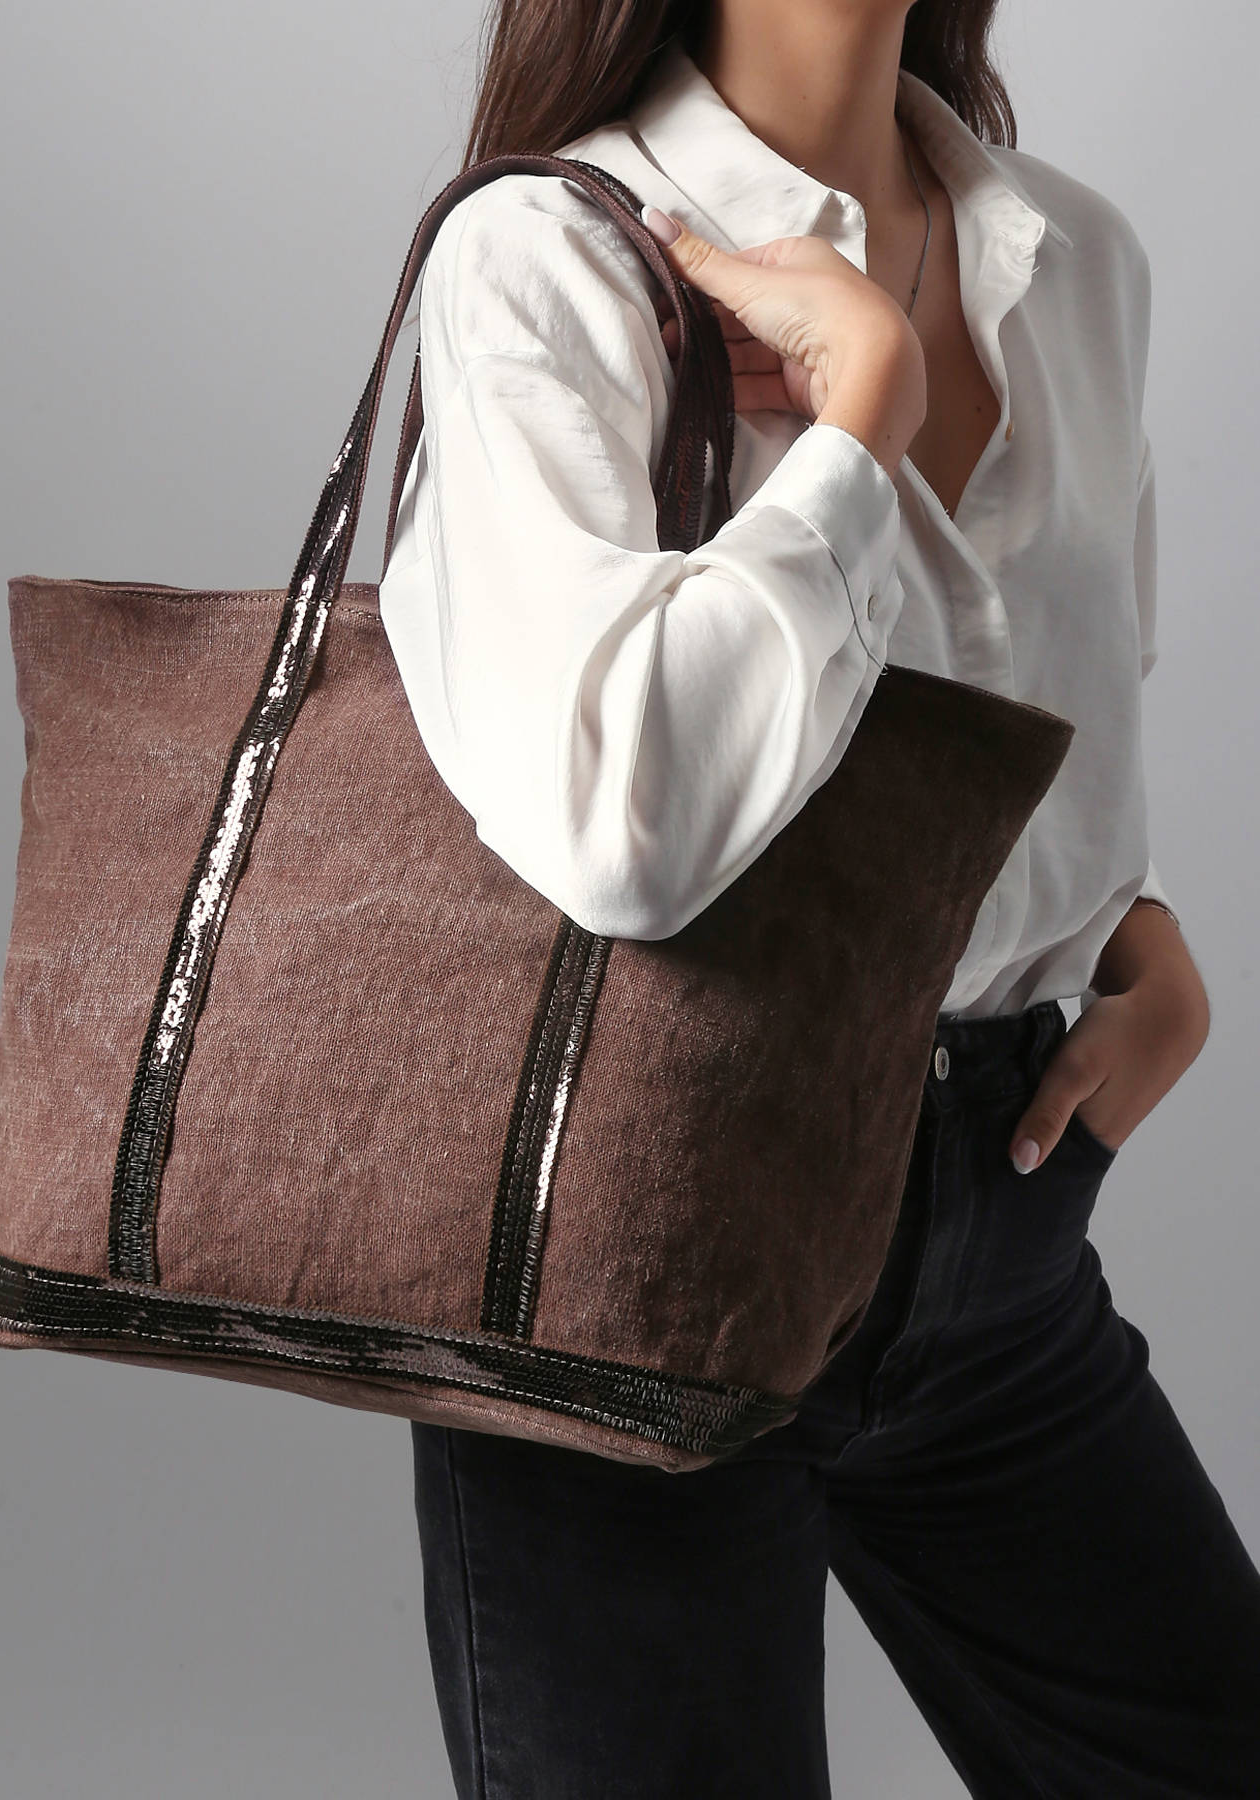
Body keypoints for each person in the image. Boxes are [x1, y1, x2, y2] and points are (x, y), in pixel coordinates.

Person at [376, 2, 1260, 1793]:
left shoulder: (1071, 255)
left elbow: (1062, 688)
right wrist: (859, 419)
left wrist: (1140, 933)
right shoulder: (550, 252)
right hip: (644, 1251)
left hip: (1000, 1235)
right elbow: (621, 826)